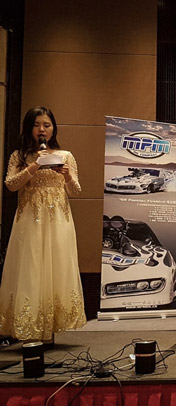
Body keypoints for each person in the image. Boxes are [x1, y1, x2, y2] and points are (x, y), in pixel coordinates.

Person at [0, 106, 87, 345]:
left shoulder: (66, 155)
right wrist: (33, 166)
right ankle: (30, 328)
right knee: (31, 268)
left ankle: (52, 327)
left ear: (53, 129)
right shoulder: (19, 156)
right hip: (30, 220)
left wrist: (66, 174)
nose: (42, 129)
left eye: (46, 125)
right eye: (37, 125)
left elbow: (76, 190)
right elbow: (10, 185)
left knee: (57, 266)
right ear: (29, 128)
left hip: (58, 220)